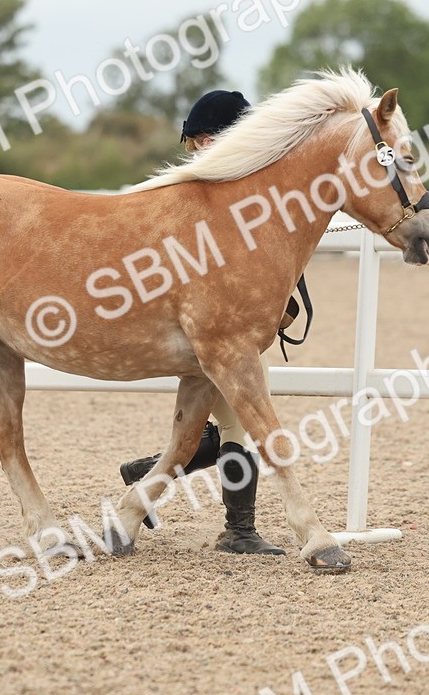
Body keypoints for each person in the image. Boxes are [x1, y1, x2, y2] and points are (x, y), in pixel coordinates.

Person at [119, 90, 306, 556]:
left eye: (209, 139)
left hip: (226, 337)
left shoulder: (245, 202)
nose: (204, 148)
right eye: (201, 141)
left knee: (226, 429)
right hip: (211, 337)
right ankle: (237, 530)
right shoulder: (196, 203)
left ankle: (145, 478)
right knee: (238, 429)